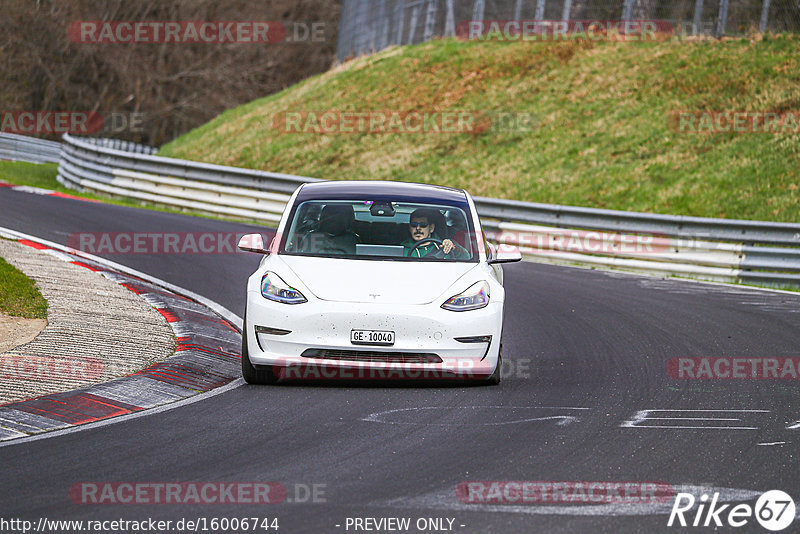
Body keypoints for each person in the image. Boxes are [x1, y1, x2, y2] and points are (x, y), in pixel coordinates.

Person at [401, 208, 470, 259]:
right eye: (414, 225)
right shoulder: (403, 249)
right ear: (410, 228)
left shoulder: (444, 245)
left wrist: (454, 248)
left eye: (423, 225)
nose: (418, 228)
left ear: (431, 228)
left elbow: (466, 258)